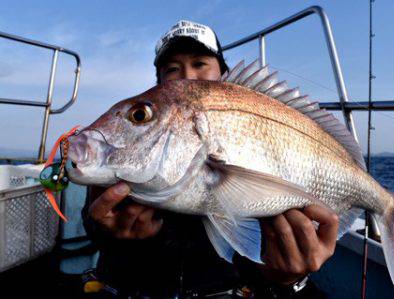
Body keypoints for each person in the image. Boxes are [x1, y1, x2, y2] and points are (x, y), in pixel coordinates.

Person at [82, 20, 339, 298]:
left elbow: (257, 254)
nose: (188, 76)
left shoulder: (247, 117)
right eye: (172, 69)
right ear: (159, 83)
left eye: (200, 63)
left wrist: (290, 280)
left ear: (223, 73)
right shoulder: (133, 154)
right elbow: (96, 225)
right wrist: (107, 231)